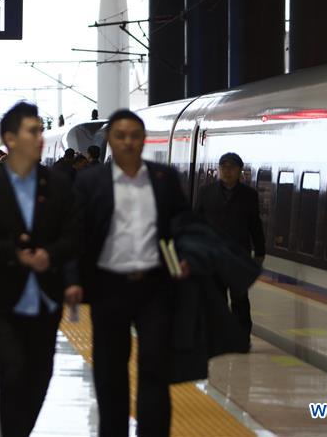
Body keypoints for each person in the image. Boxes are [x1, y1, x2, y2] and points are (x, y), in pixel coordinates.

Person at [72, 109, 192, 437]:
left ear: (143, 140)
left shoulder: (164, 178)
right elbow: (75, 234)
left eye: (134, 136)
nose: (128, 142)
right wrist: (72, 280)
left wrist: (183, 255)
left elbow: (182, 222)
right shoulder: (89, 181)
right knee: (110, 372)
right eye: (120, 136)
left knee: (155, 367)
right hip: (108, 287)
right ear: (110, 140)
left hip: (155, 286)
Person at [0, 102, 78, 437]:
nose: (40, 138)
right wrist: (16, 254)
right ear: (10, 139)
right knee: (13, 372)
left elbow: (74, 236)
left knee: (40, 376)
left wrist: (52, 256)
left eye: (41, 131)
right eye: (33, 131)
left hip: (46, 299)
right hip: (1, 299)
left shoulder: (58, 186)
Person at [194, 152, 265, 348]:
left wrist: (260, 252)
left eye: (231, 167)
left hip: (238, 256)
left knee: (240, 299)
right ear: (219, 170)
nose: (227, 171)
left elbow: (255, 225)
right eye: (224, 167)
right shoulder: (206, 192)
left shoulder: (249, 196)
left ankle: (242, 339)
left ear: (239, 171)